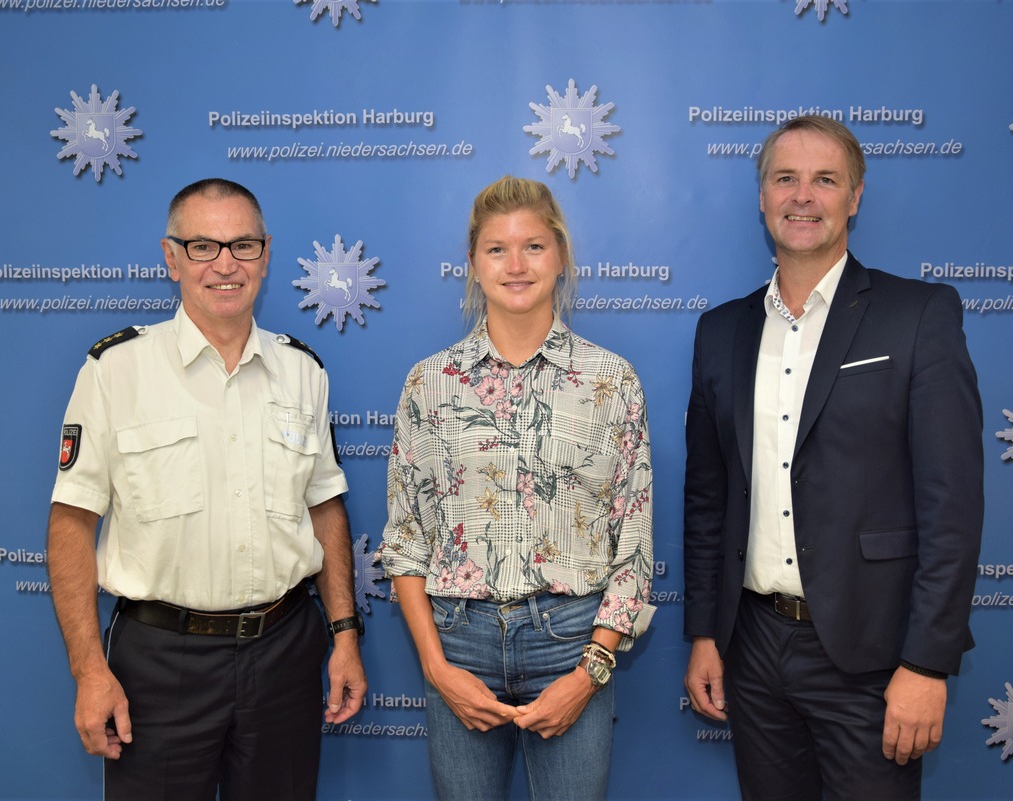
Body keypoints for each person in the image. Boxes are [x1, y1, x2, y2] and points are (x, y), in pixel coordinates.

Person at [682, 116, 984, 800]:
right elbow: (708, 495)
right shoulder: (721, 330)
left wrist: (926, 663)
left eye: (825, 180)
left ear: (855, 197)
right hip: (753, 647)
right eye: (785, 178)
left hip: (873, 655)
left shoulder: (919, 315)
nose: (803, 197)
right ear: (761, 197)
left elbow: (952, 506)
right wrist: (704, 633)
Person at [47, 178, 366, 801]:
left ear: (266, 254)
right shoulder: (116, 370)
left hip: (285, 651)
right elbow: (70, 525)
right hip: (159, 663)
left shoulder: (303, 372)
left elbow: (324, 507)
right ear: (171, 257)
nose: (226, 264)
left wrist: (346, 634)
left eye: (243, 245)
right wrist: (88, 669)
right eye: (203, 246)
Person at [379, 175, 655, 801]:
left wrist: (590, 672)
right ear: (473, 266)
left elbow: (633, 548)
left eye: (533, 246)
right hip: (458, 643)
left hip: (573, 642)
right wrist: (436, 668)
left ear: (560, 257)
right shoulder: (431, 383)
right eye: (496, 249)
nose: (516, 264)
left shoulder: (611, 381)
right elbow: (405, 542)